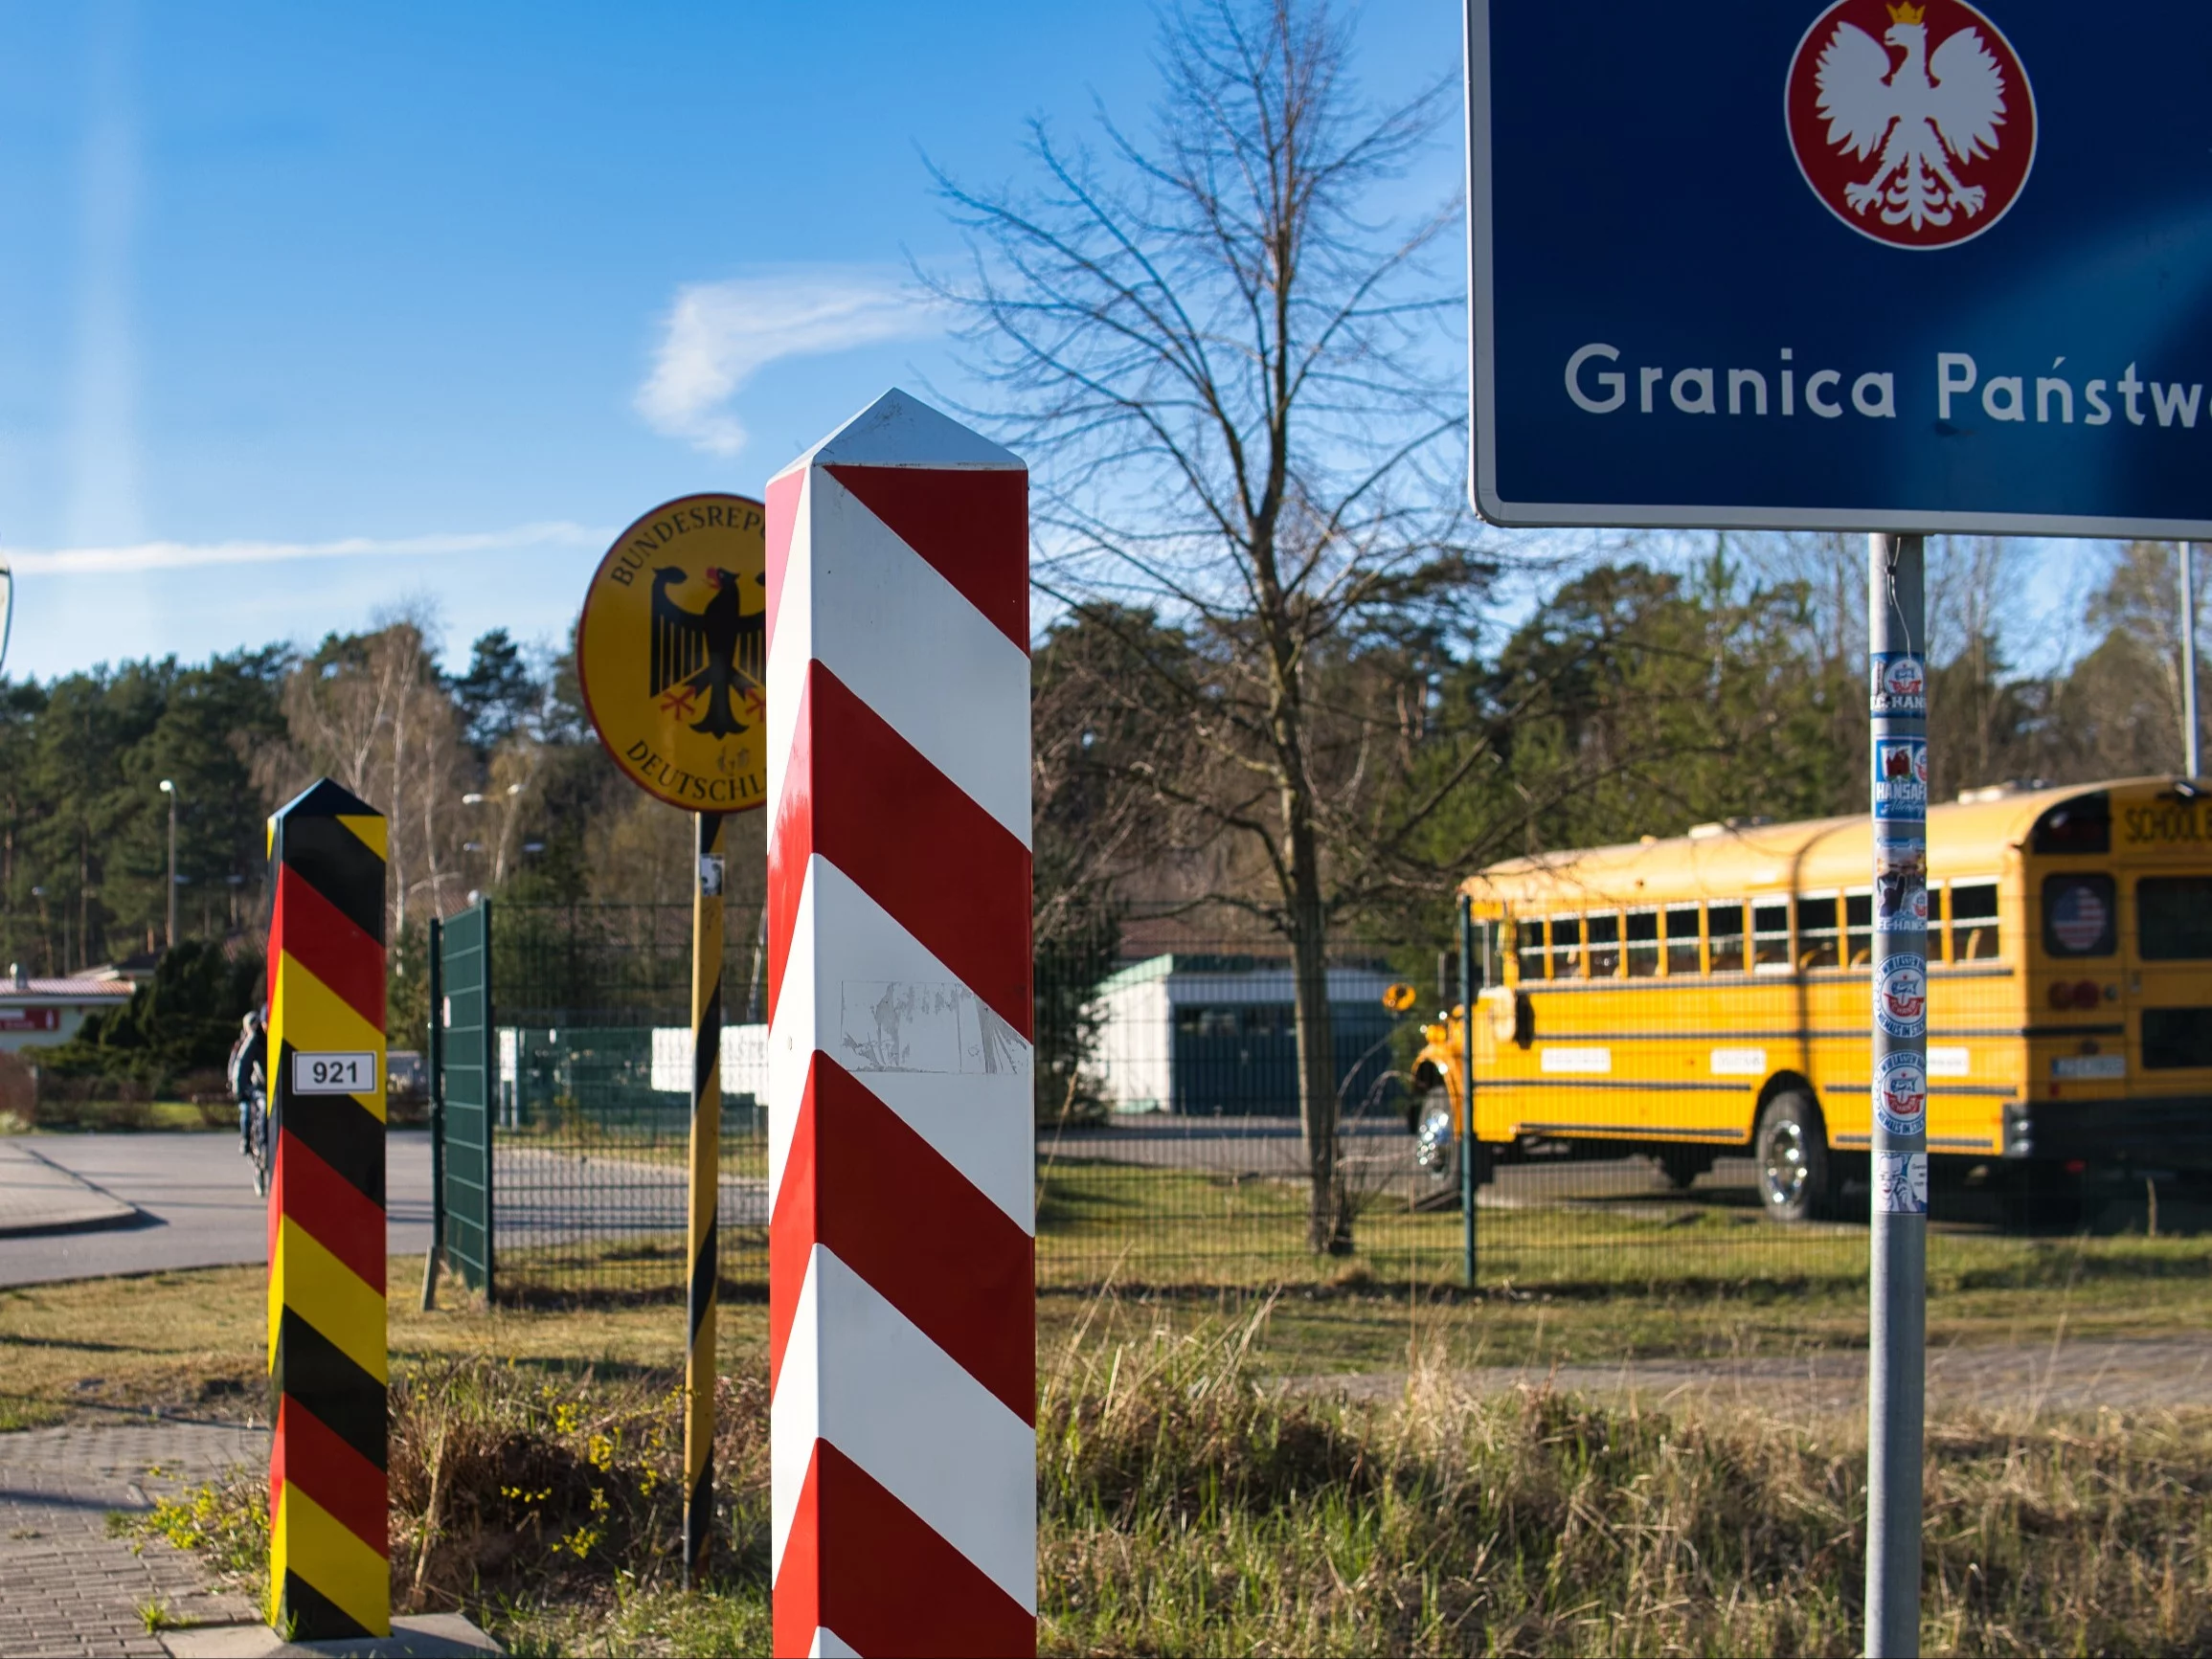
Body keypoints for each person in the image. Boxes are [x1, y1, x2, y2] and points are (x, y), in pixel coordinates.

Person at [228, 1005, 267, 1155]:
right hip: (251, 1086)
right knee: (246, 1110)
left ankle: (263, 1144)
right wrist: (237, 1087)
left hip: (259, 1085)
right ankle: (248, 1141)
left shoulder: (263, 1039)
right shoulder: (245, 1042)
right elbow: (238, 1064)